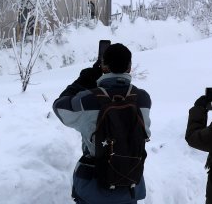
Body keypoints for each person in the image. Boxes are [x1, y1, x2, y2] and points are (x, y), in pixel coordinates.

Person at [53, 43, 151, 203]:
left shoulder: (88, 99)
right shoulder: (143, 99)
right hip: (130, 184)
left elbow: (59, 107)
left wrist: (83, 82)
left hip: (93, 186)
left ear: (103, 66)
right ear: (130, 67)